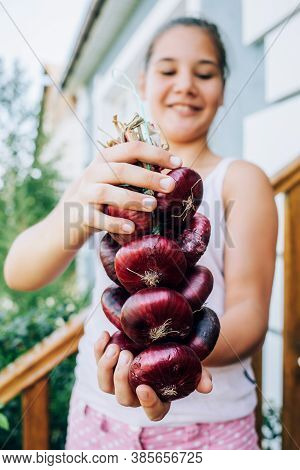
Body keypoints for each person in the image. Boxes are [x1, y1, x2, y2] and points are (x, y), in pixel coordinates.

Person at [3, 17, 278, 450]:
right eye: (168, 71)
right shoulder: (106, 177)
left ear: (223, 89)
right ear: (144, 83)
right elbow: (20, 273)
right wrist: (80, 210)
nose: (185, 84)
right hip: (99, 420)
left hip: (213, 431)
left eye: (204, 73)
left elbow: (249, 318)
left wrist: (161, 356)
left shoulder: (242, 181)